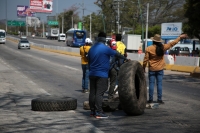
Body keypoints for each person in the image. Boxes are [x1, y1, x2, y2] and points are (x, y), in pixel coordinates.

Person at [88, 32, 128, 119]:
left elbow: (89, 61)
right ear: (104, 39)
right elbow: (117, 54)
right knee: (99, 93)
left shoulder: (91, 48)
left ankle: (92, 111)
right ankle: (99, 112)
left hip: (92, 73)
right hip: (101, 74)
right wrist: (125, 58)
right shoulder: (106, 49)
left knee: (92, 92)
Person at [143, 33, 188, 104]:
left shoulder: (149, 48)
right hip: (160, 69)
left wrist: (143, 67)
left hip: (152, 69)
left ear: (153, 41)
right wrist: (179, 37)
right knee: (159, 84)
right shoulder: (163, 47)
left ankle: (150, 99)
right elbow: (172, 43)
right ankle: (159, 99)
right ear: (159, 41)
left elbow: (145, 59)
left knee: (151, 84)